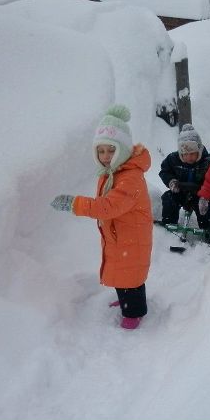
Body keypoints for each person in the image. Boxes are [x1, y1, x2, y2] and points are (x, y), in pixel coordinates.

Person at [50, 104, 153, 330]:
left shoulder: (130, 178)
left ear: (123, 149)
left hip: (131, 237)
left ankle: (135, 312)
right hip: (120, 236)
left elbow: (108, 207)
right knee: (121, 272)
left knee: (132, 277)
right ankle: (126, 299)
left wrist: (74, 204)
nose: (105, 156)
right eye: (101, 151)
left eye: (111, 150)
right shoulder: (113, 172)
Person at [158, 124, 210, 228]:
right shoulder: (173, 159)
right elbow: (165, 171)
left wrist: (206, 194)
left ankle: (208, 229)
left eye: (193, 153)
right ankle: (169, 224)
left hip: (200, 193)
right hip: (180, 191)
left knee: (206, 207)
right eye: (185, 154)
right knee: (168, 197)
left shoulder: (208, 162)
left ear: (199, 150)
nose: (189, 157)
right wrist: (171, 181)